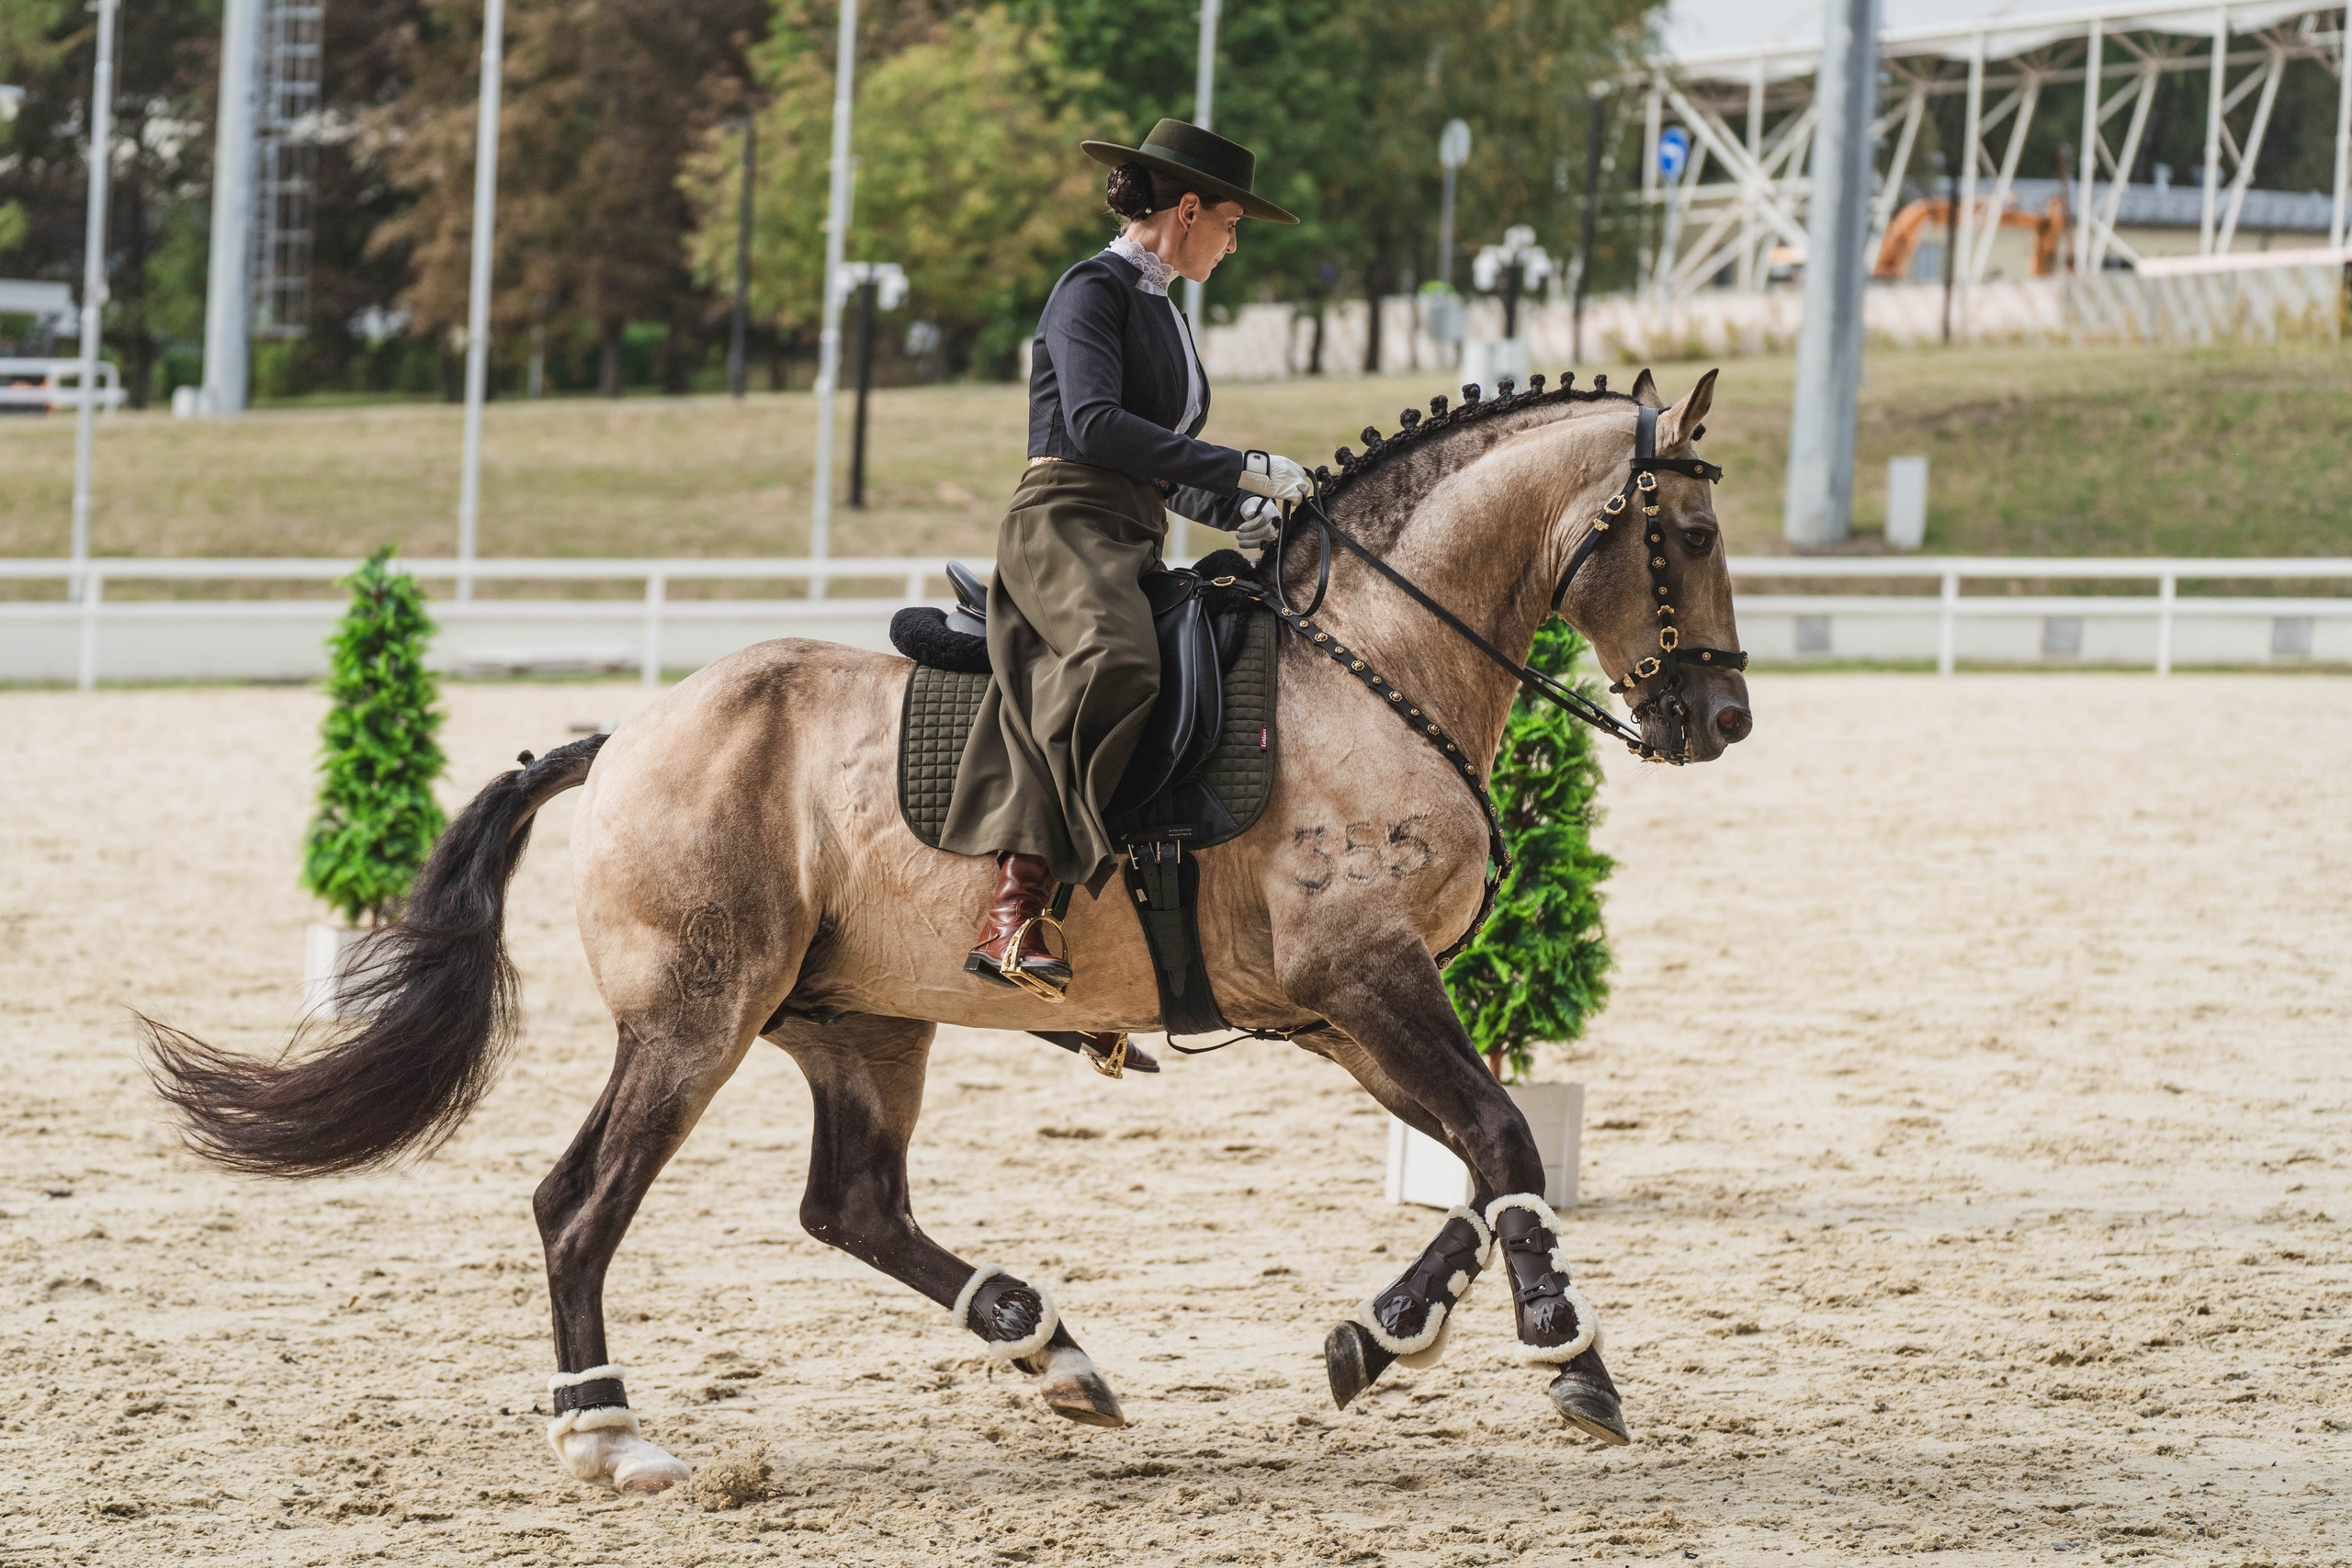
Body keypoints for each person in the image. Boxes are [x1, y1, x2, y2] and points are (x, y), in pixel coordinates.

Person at [936, 118, 1312, 998]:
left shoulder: (1166, 316)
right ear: (1188, 210)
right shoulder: (1089, 291)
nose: (1231, 243)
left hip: (1133, 530)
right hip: (1061, 525)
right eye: (1231, 224)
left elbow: (1159, 463)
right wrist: (1238, 465)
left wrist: (1242, 509)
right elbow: (1097, 426)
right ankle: (1014, 906)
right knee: (1116, 659)